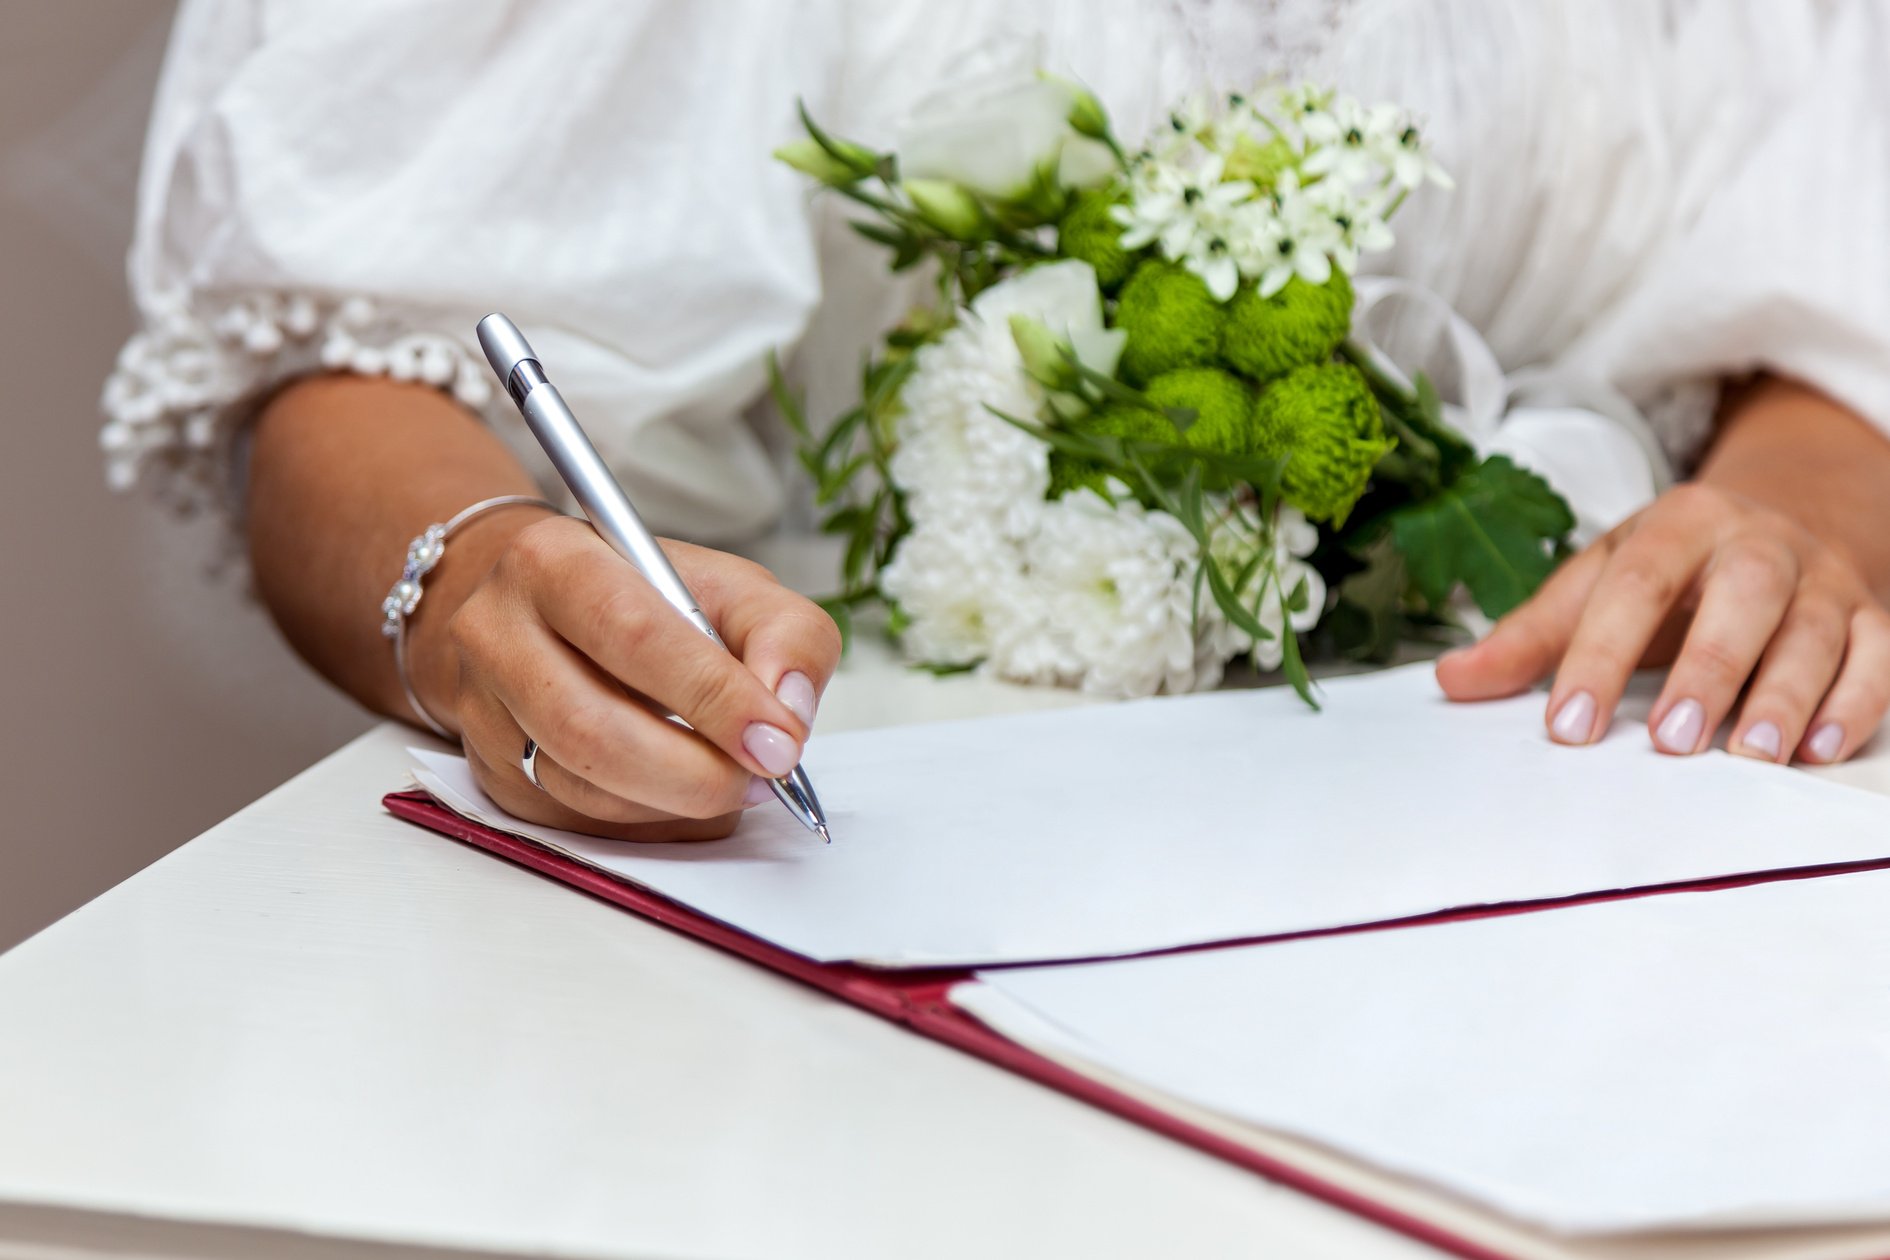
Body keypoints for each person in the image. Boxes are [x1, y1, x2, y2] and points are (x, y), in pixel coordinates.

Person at [103, 0, 1890, 841]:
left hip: (1604, 839)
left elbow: (1831, 202)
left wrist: (1807, 490)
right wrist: (484, 580)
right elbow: (348, 354)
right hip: (810, 897)